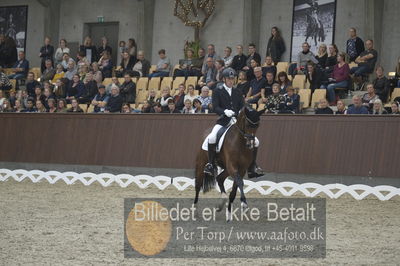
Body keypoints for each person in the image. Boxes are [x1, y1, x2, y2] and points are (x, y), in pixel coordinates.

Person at [203, 68, 264, 178]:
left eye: (232, 79)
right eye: (229, 79)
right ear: (224, 79)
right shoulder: (218, 91)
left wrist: (245, 111)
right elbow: (215, 107)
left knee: (256, 141)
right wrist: (225, 111)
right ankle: (211, 165)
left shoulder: (237, 91)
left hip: (236, 122)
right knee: (211, 137)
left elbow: (242, 105)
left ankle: (252, 167)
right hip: (223, 121)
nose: (231, 81)